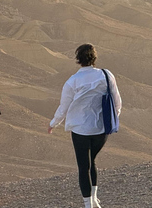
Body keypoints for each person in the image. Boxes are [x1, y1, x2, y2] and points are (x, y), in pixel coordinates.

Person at [48, 44, 122, 208]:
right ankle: (94, 200)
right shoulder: (106, 75)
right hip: (101, 129)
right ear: (94, 58)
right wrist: (112, 119)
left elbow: (64, 108)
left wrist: (53, 123)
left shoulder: (72, 82)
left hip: (80, 129)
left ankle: (88, 204)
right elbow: (117, 102)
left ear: (78, 59)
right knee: (92, 162)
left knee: (84, 167)